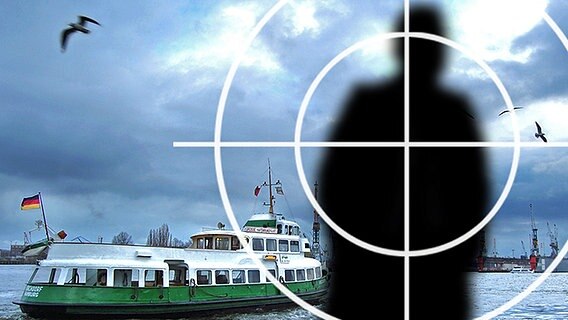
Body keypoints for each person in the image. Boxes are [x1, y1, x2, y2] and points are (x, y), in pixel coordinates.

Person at [319, 5, 488, 319]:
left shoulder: (366, 107)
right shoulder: (454, 116)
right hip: (420, 273)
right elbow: (473, 197)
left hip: (380, 272)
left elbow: (335, 187)